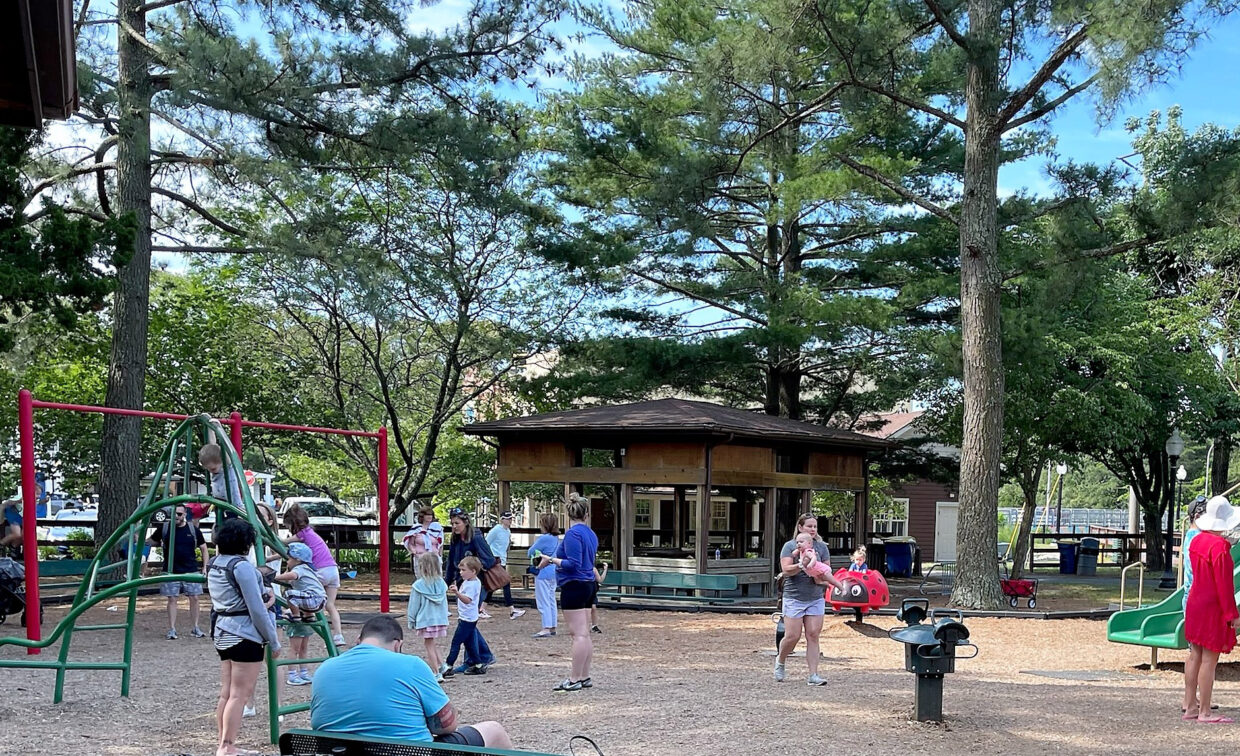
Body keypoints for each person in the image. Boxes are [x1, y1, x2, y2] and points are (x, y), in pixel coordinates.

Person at [310, 615, 512, 748]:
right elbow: (447, 726)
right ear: (398, 645)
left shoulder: (325, 668)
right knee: (494, 730)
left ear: (358, 641)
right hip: (408, 752)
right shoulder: (411, 665)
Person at [208, 518, 281, 756]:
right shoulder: (241, 567)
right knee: (240, 694)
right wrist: (273, 639)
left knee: (227, 693)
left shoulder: (214, 563)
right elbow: (256, 609)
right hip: (244, 634)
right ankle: (227, 746)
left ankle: (224, 743)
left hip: (222, 631)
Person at [1183, 495, 1240, 724]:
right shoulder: (1220, 549)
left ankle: (1190, 705)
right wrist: (1232, 615)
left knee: (1194, 655)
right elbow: (1224, 587)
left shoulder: (1196, 541)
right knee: (1209, 659)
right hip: (1212, 607)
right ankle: (1205, 710)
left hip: (1195, 601)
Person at [536, 492, 598, 692]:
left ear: (568, 514)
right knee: (585, 633)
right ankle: (584, 675)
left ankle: (574, 679)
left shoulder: (573, 534)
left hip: (574, 585)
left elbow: (573, 564)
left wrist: (551, 560)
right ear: (586, 514)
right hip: (588, 584)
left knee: (578, 634)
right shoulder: (591, 533)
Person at [774, 513, 844, 686]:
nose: (813, 529)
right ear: (800, 528)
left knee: (813, 634)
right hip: (794, 597)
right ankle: (780, 660)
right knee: (792, 636)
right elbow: (786, 569)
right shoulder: (790, 546)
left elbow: (827, 569)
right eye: (809, 526)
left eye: (815, 526)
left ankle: (813, 675)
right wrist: (801, 565)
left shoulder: (821, 547)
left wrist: (824, 579)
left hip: (815, 596)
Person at [283, 503, 345, 647]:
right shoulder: (311, 533)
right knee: (330, 605)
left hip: (320, 570)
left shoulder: (302, 534)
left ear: (293, 524)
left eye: (287, 526)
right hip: (333, 570)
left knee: (297, 581)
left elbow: (284, 543)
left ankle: (295, 611)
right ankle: (338, 636)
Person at [146, 504, 210, 640]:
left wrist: (205, 567)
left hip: (191, 569)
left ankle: (195, 627)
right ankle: (172, 629)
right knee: (172, 599)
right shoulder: (165, 528)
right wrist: (140, 542)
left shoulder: (193, 529)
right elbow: (151, 541)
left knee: (195, 598)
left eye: (179, 514)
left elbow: (204, 548)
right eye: (174, 514)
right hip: (171, 570)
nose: (176, 517)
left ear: (185, 514)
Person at [244, 503, 283, 718]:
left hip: (269, 600)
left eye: (261, 515)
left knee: (274, 655)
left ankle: (277, 706)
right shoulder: (246, 544)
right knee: (248, 655)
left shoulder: (271, 543)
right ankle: (249, 704)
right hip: (249, 602)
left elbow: (282, 553)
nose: (255, 518)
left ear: (270, 521)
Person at [272, 542, 326, 686]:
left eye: (289, 559)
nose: (287, 562)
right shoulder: (309, 570)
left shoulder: (300, 568)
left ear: (298, 559)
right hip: (317, 602)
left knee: (296, 649)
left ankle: (295, 674)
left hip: (310, 603)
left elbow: (292, 575)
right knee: (301, 649)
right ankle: (300, 673)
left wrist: (274, 577)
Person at [442, 556, 491, 676]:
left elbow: (467, 600)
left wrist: (457, 593)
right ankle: (478, 664)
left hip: (467, 619)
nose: (461, 573)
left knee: (456, 642)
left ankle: (448, 665)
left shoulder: (472, 584)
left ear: (473, 571)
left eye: (464, 570)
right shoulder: (470, 582)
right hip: (468, 617)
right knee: (469, 643)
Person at [408, 551, 450, 682]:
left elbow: (413, 605)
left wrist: (411, 620)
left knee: (428, 644)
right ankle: (442, 665)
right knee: (432, 643)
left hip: (425, 620)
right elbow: (444, 604)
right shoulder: (442, 584)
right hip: (439, 619)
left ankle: (436, 672)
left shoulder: (419, 586)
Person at [481, 511, 525, 620]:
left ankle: (482, 608)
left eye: (511, 518)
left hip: (502, 560)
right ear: (502, 519)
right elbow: (486, 543)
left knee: (492, 585)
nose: (510, 520)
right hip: (496, 560)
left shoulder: (508, 531)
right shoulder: (496, 530)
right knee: (505, 583)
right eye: (508, 518)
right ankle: (512, 609)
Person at [444, 508, 496, 589]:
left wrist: (472, 566)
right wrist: (446, 583)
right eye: (452, 523)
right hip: (460, 581)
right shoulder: (455, 539)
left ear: (466, 522)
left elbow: (489, 560)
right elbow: (451, 562)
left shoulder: (476, 537)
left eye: (457, 523)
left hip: (475, 583)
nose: (454, 526)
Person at [528, 514, 560, 638]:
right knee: (551, 599)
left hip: (543, 571)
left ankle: (546, 627)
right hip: (554, 570)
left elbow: (530, 552)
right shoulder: (557, 538)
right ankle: (552, 626)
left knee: (543, 600)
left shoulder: (544, 538)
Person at [198, 443, 245, 520]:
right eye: (208, 469)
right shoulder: (214, 471)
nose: (211, 471)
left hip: (233, 507)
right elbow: (211, 442)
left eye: (213, 469)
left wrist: (219, 432)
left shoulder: (228, 469)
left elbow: (221, 449)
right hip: (221, 506)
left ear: (222, 462)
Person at [402, 505, 445, 577]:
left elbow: (441, 543)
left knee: (436, 578)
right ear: (422, 516)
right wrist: (414, 552)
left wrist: (440, 555)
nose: (429, 516)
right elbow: (411, 543)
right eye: (427, 515)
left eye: (431, 515)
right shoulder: (416, 528)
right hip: (420, 558)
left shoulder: (437, 528)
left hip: (434, 558)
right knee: (422, 579)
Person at [590, 563, 607, 634]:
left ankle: (594, 626)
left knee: (593, 607)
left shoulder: (593, 569)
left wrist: (605, 570)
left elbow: (600, 580)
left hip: (591, 591)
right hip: (582, 590)